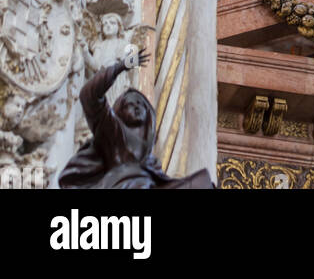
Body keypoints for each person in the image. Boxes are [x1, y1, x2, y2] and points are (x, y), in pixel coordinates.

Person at [59, 50, 211, 189]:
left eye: (141, 104)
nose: (137, 107)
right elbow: (89, 96)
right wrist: (121, 66)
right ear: (119, 111)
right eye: (130, 105)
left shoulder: (149, 160)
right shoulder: (113, 131)